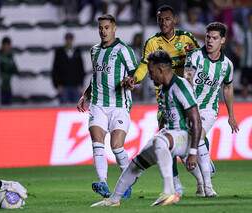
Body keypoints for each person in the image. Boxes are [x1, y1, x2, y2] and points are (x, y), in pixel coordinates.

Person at [91, 50, 202, 207]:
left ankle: (170, 191)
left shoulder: (180, 85)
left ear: (161, 70)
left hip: (184, 137)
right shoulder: (164, 89)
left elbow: (196, 120)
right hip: (170, 136)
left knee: (159, 141)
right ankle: (113, 199)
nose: (150, 76)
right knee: (136, 163)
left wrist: (192, 152)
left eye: (151, 72)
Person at [121, 5, 203, 196]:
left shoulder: (186, 39)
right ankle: (176, 185)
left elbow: (200, 61)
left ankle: (204, 180)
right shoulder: (152, 42)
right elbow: (143, 66)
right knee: (167, 142)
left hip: (186, 96)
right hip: (165, 100)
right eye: (160, 19)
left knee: (195, 139)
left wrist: (192, 58)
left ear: (174, 20)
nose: (163, 23)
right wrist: (135, 78)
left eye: (167, 19)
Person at [77, 14, 138, 199]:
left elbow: (136, 74)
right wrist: (85, 95)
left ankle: (127, 181)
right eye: (100, 28)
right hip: (98, 104)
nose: (103, 31)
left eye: (106, 27)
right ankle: (102, 182)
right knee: (97, 142)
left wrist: (131, 82)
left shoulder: (123, 50)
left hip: (119, 105)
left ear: (114, 28)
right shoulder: (94, 50)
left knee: (117, 146)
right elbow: (96, 76)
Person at [184, 22, 239, 197]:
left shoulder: (227, 65)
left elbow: (228, 88)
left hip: (208, 109)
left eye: (214, 38)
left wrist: (231, 115)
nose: (209, 41)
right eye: (208, 37)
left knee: (197, 136)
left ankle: (208, 187)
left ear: (222, 40)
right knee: (181, 150)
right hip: (188, 107)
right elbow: (187, 79)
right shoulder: (194, 57)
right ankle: (201, 181)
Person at [52, 32, 85, 104]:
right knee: (64, 106)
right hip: (63, 86)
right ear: (65, 40)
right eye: (67, 39)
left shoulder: (77, 51)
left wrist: (81, 84)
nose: (69, 41)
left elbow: (81, 69)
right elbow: (55, 69)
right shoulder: (59, 52)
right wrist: (57, 85)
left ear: (73, 40)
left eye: (70, 39)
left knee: (76, 108)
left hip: (76, 85)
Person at [0, 36, 19, 105]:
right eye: (6, 45)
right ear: (2, 46)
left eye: (8, 45)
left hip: (8, 87)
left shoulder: (11, 56)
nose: (7, 47)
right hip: (0, 87)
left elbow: (16, 70)